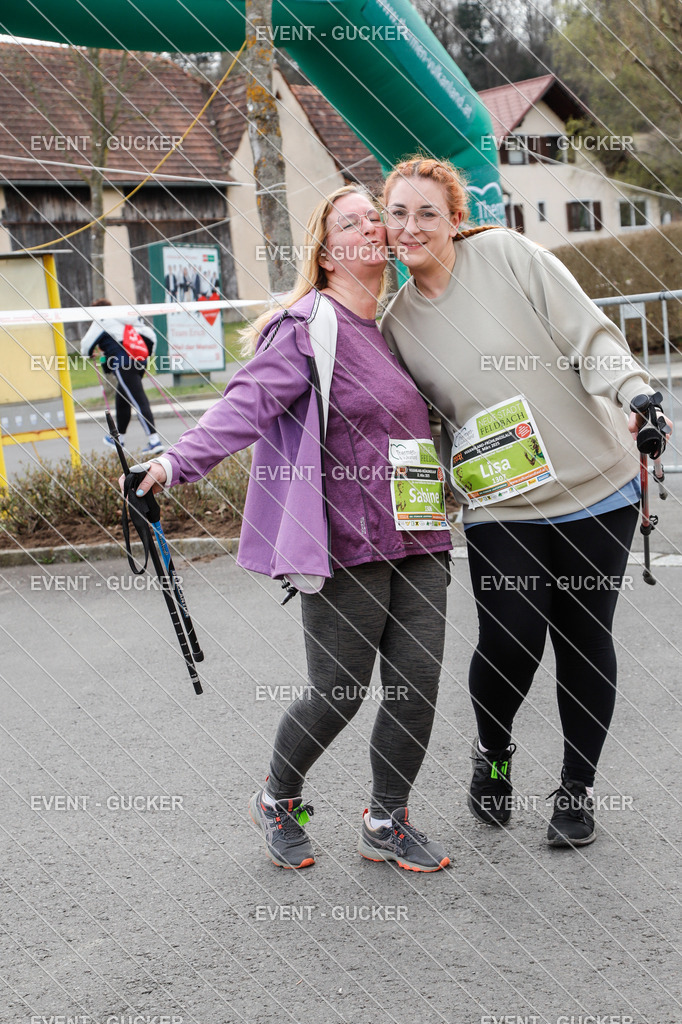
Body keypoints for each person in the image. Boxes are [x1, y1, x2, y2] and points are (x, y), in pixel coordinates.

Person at [127, 185, 453, 871]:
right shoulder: (308, 326)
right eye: (351, 221)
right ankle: (278, 798)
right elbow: (244, 405)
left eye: (377, 216)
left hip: (421, 534)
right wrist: (173, 462)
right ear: (328, 254)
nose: (372, 225)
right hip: (346, 543)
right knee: (339, 691)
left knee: (416, 687)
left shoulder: (400, 324)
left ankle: (386, 819)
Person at [380, 157, 672, 848]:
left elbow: (587, 330)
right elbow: (417, 432)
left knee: (583, 638)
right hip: (500, 504)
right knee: (510, 640)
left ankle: (575, 792)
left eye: (427, 213)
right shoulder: (396, 324)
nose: (412, 226)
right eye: (398, 213)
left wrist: (639, 397)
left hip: (595, 486)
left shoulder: (507, 256)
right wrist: (416, 517)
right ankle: (495, 754)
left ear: (455, 218)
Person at [80, 298, 164, 455]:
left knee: (138, 400)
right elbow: (151, 336)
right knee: (123, 400)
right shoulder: (126, 318)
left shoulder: (102, 320)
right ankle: (118, 439)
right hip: (140, 361)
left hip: (123, 364)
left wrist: (89, 353)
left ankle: (155, 441)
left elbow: (85, 345)